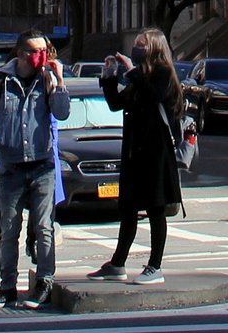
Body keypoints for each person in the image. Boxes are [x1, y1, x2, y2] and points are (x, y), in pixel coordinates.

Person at [0, 30, 70, 310]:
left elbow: (62, 113)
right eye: (36, 51)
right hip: (11, 166)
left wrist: (59, 81)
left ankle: (44, 283)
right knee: (9, 230)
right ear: (22, 54)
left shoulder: (47, 78)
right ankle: (7, 288)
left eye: (45, 50)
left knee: (43, 227)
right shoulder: (0, 80)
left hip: (42, 165)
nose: (42, 56)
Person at [89, 29, 183, 285]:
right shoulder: (139, 78)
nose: (136, 48)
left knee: (155, 209)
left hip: (156, 154)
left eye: (141, 44)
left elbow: (154, 97)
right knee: (128, 208)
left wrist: (132, 71)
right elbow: (116, 104)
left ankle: (155, 266)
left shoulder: (162, 73)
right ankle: (117, 263)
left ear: (153, 47)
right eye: (136, 44)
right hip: (134, 153)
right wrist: (109, 77)